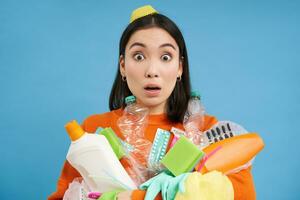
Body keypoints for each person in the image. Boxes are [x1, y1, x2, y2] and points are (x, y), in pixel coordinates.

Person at [48, 5, 256, 200]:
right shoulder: (94, 131)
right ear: (123, 65)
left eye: (165, 57)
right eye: (139, 56)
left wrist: (136, 197)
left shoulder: (207, 131)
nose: (152, 71)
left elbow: (241, 194)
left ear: (180, 67)